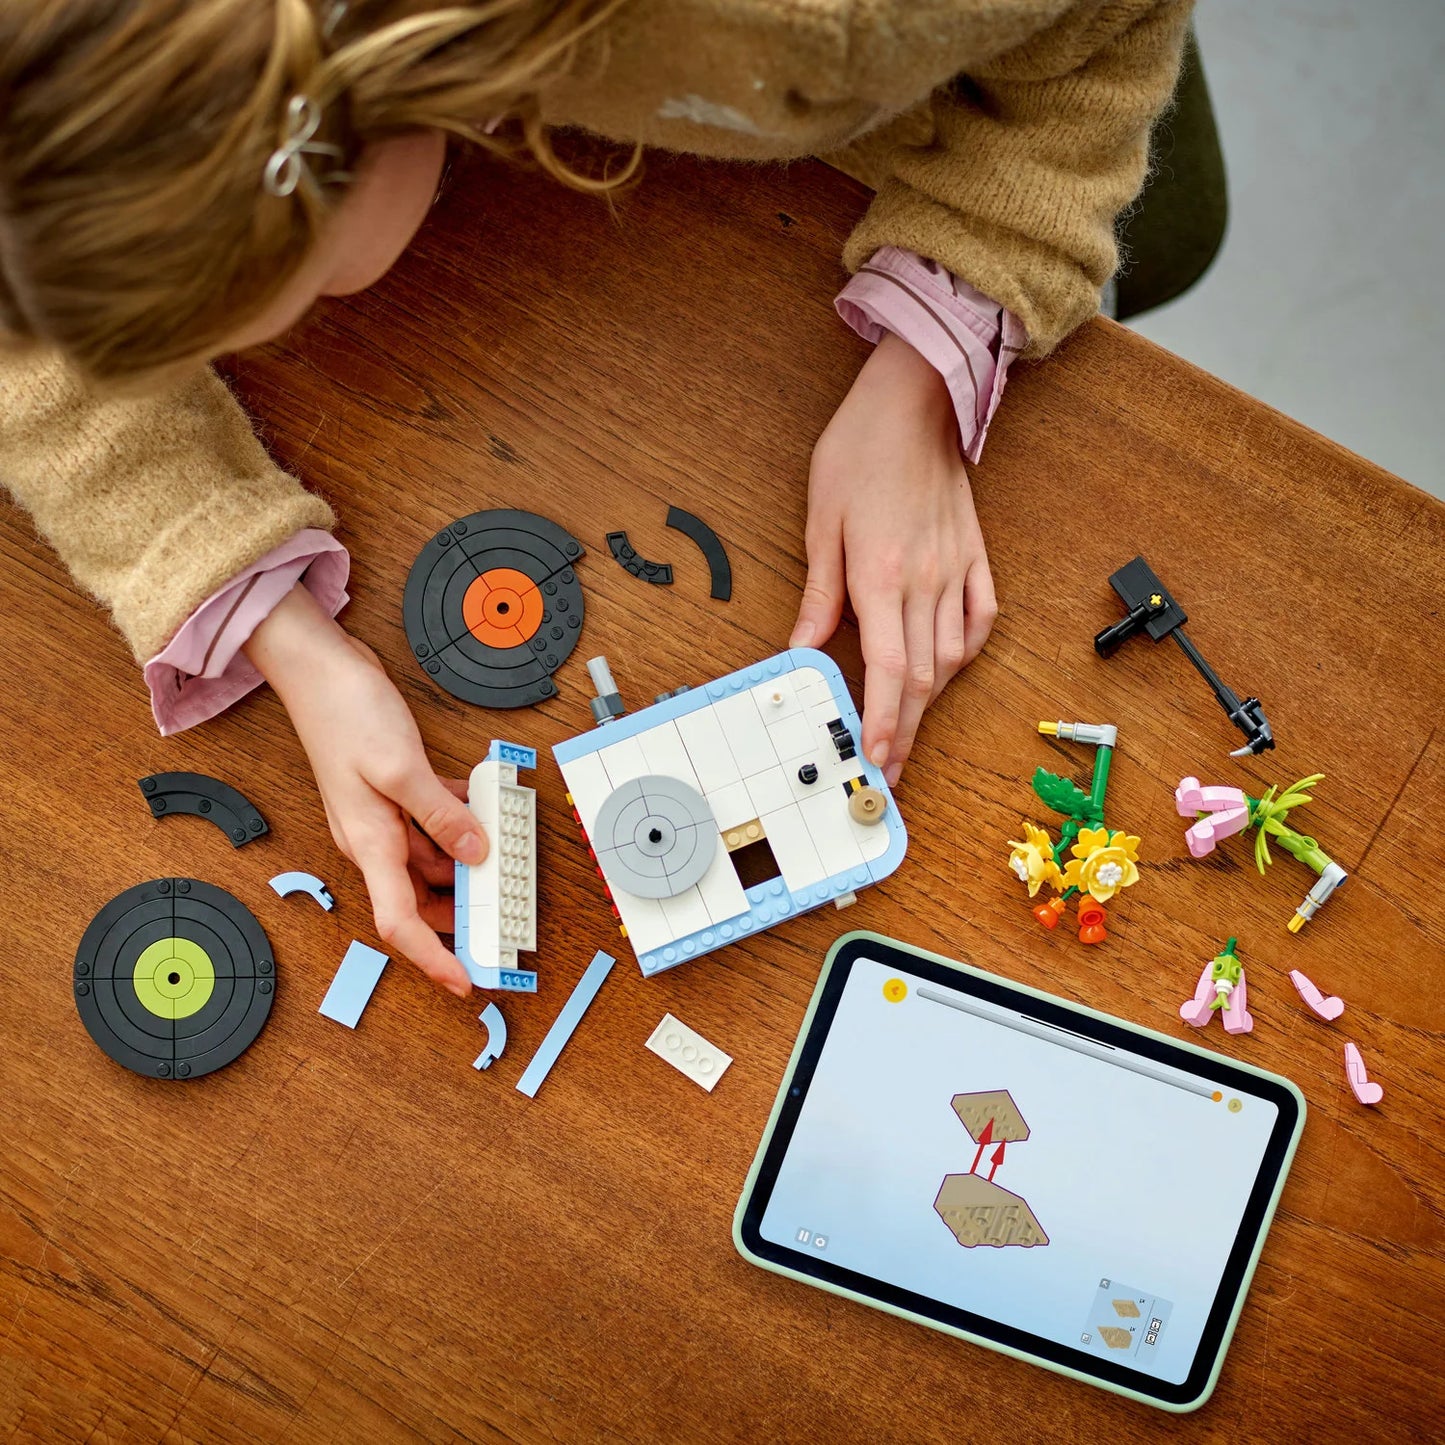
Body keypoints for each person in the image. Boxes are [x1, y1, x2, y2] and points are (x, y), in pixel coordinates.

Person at [0, 0, 1193, 996]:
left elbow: (1103, 27)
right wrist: (281, 631)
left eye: (293, 297)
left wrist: (942, 331)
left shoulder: (826, 26)